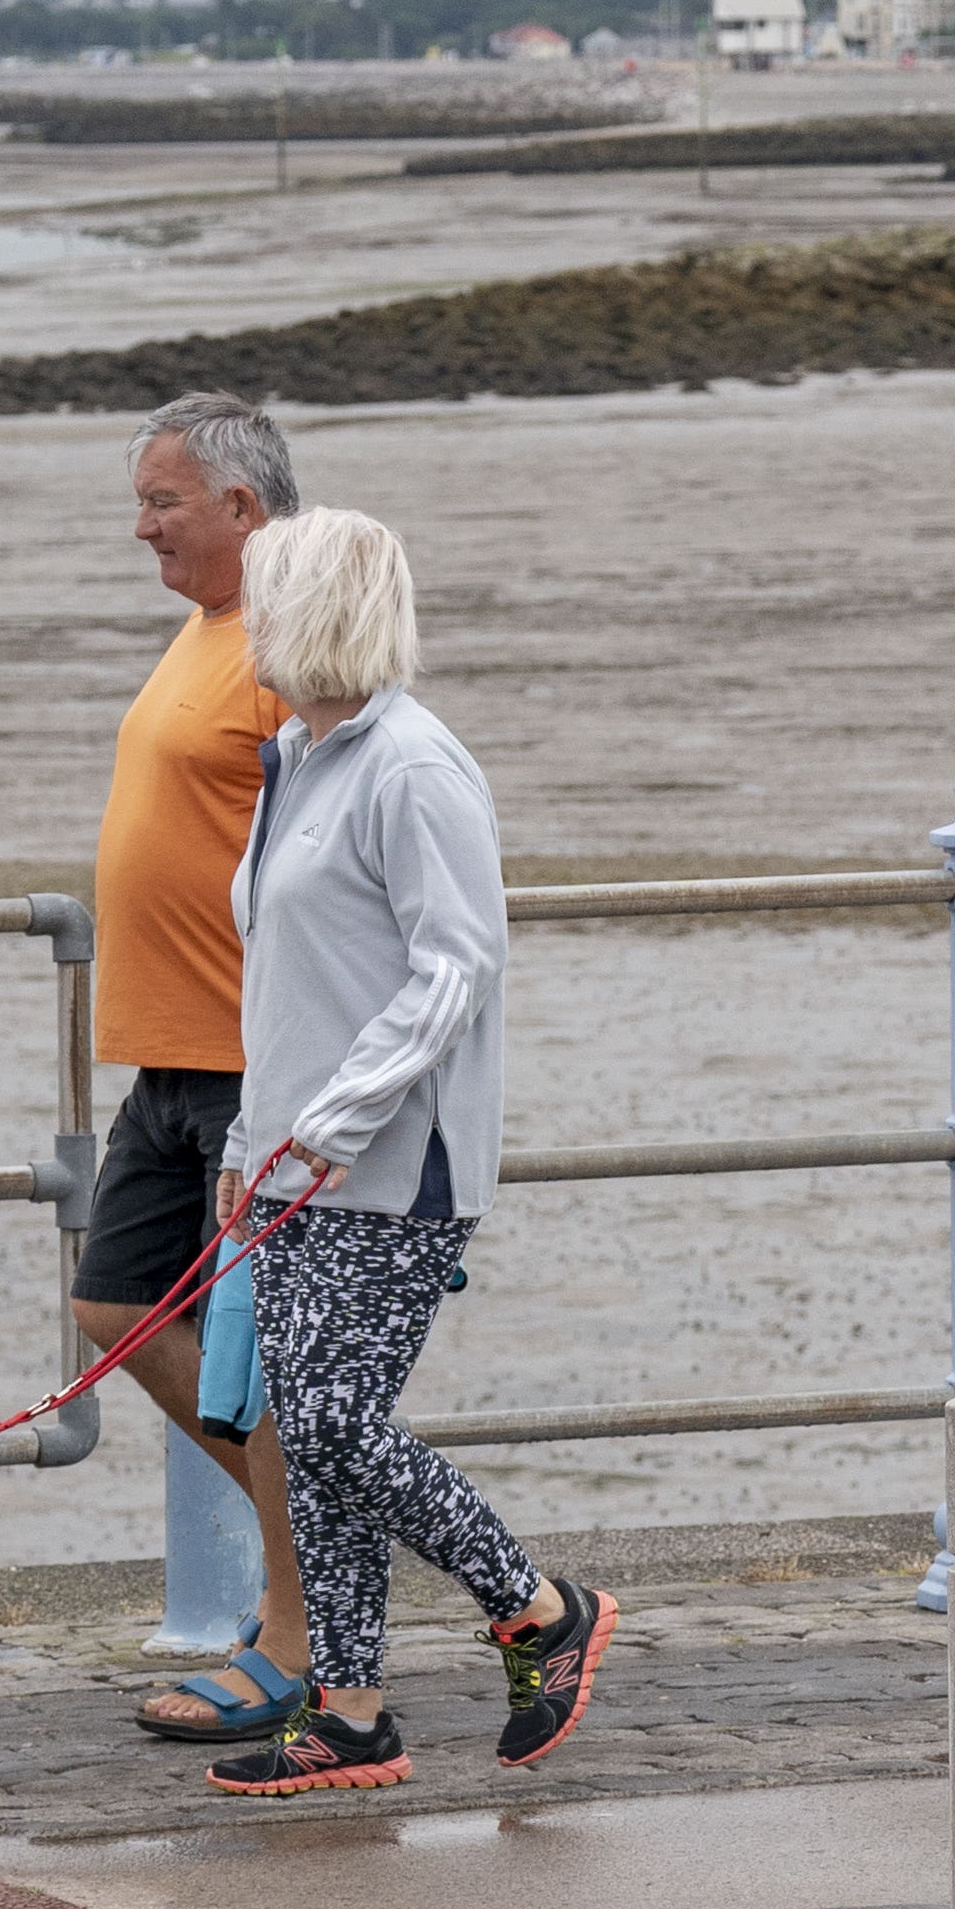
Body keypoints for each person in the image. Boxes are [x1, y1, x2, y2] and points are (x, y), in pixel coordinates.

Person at [197, 506, 617, 1795]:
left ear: (316, 611)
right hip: (293, 1168)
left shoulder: (415, 768)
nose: (249, 626)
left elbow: (455, 969)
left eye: (268, 601)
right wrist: (248, 1137)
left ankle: (539, 1608)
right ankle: (352, 1704)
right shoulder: (295, 758)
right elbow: (288, 981)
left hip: (397, 1165)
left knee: (330, 1422)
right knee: (319, 1426)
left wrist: (326, 1128)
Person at [85, 391, 319, 1743]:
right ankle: (327, 1538)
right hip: (168, 1054)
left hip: (249, 1061)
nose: (142, 526)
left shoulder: (294, 635)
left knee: (264, 1369)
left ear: (241, 505)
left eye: (163, 501)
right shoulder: (206, 624)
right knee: (112, 1303)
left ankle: (296, 1635)